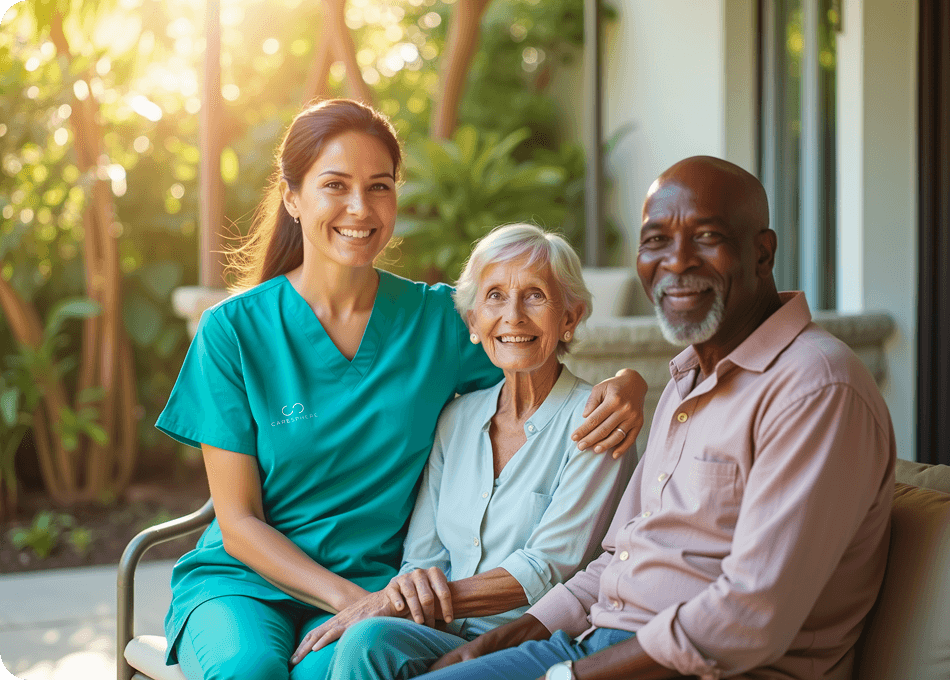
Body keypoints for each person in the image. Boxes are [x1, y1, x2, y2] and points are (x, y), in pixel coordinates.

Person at [154, 99, 648, 680]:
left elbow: (536, 353)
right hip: (244, 587)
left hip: (381, 586)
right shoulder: (233, 331)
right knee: (248, 672)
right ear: (292, 198)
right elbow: (237, 522)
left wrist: (629, 384)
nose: (360, 208)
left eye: (379, 187)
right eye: (334, 185)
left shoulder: (437, 321)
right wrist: (350, 603)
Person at [412, 156, 897, 680]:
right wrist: (506, 641)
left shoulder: (816, 387)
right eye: (656, 241)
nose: (677, 261)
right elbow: (615, 559)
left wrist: (571, 678)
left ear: (762, 253)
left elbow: (750, 616)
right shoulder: (686, 381)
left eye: (706, 236)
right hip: (598, 641)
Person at [285, 224, 635, 679]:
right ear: (472, 323)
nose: (513, 316)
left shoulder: (596, 421)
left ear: (570, 317)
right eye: (494, 297)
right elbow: (422, 558)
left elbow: (545, 569)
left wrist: (390, 600)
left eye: (534, 296)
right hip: (442, 631)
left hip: (532, 641)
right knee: (366, 642)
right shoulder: (456, 418)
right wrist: (409, 590)